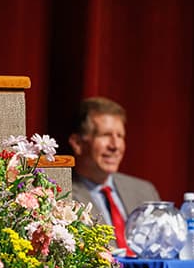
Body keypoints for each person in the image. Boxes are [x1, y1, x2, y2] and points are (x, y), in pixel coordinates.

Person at [68, 96, 160, 254]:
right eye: (105, 135)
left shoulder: (144, 191)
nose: (115, 146)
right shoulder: (63, 196)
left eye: (120, 136)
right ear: (78, 144)